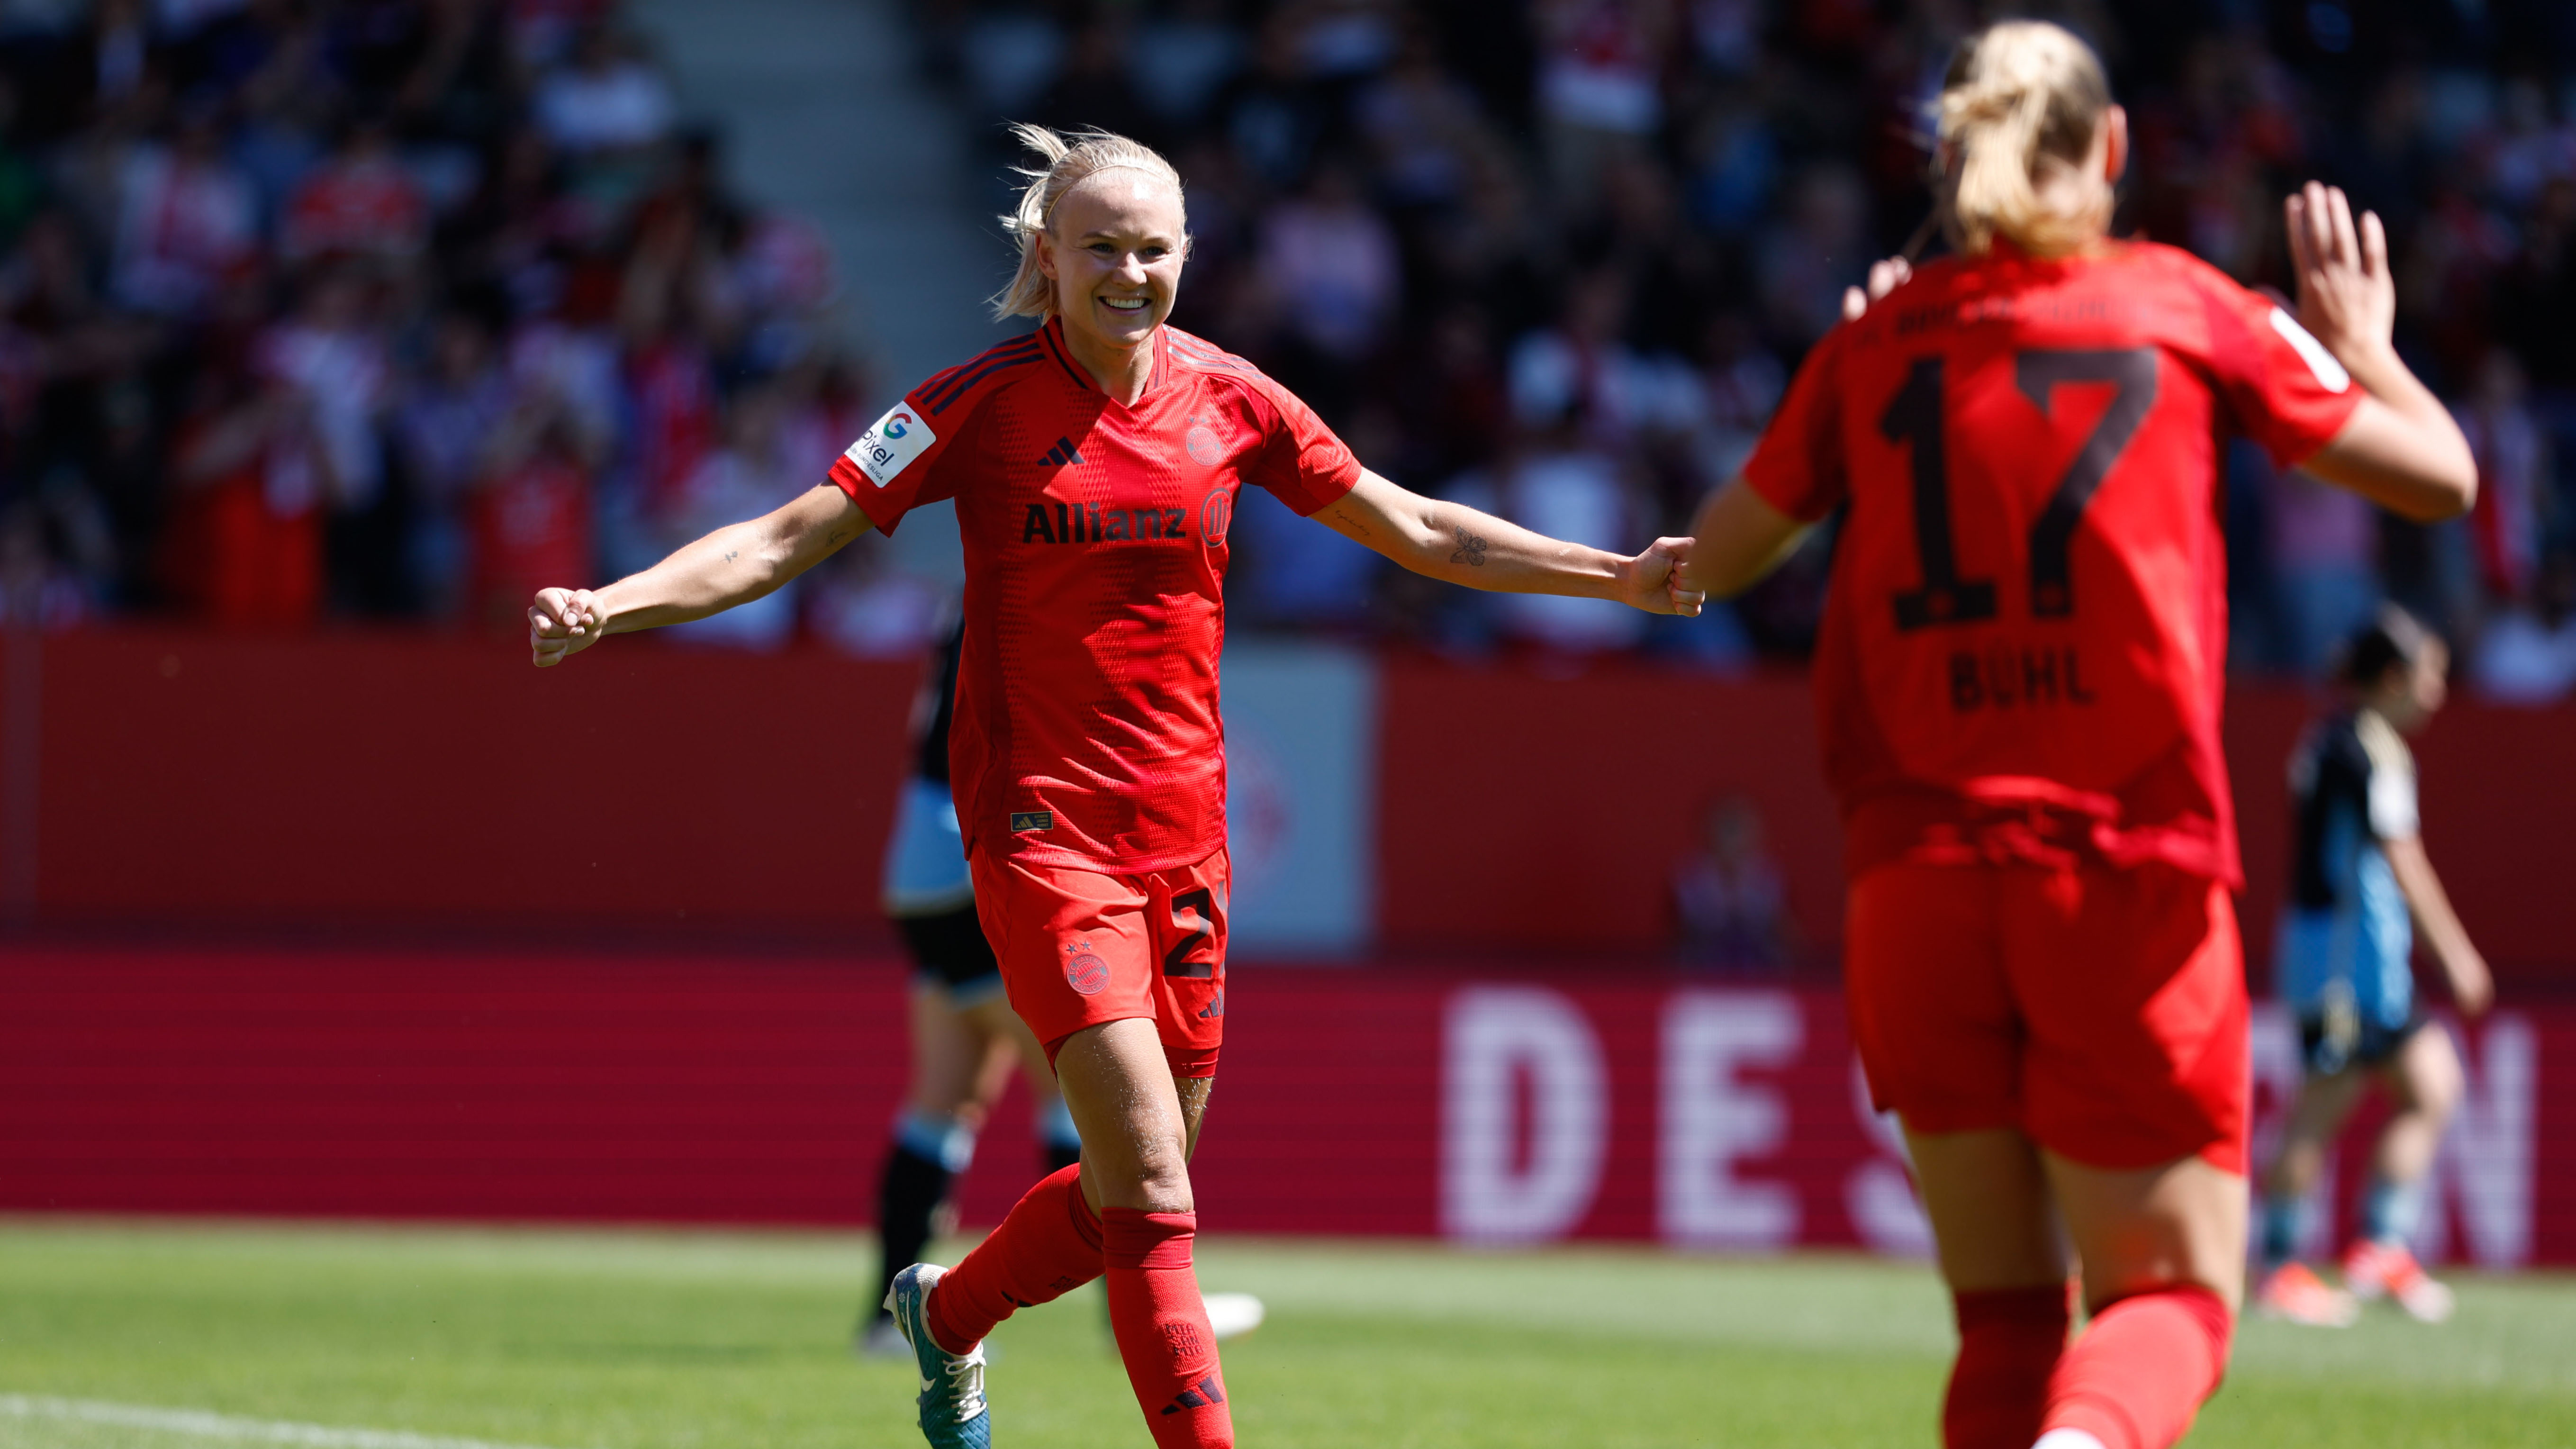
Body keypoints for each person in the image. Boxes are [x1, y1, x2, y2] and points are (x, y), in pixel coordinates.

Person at [528, 124, 1700, 1449]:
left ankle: (949, 1312)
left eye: (1153, 249)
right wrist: (618, 604)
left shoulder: (1233, 400)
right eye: (1101, 248)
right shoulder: (973, 402)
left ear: (1185, 259)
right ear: (1045, 256)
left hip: (1185, 846)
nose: (1129, 273)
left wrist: (1612, 576)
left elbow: (1419, 526)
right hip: (1041, 839)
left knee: (1128, 1184)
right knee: (1150, 1189)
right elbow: (793, 530)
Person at [1678, 22, 2475, 1449]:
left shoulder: (1873, 342)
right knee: (2170, 1305)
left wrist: (1861, 367)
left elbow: (1718, 558)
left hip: (1914, 884)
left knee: (2003, 1323)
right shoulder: (2178, 303)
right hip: (2120, 869)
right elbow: (2439, 481)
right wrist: (2363, 350)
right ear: (2109, 153)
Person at [2254, 606, 2492, 1327]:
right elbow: (2402, 858)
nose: (2435, 694)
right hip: (2339, 962)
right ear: (2392, 677)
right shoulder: (2368, 747)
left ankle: (2380, 1247)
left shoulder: (2335, 737)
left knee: (2432, 1083)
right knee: (2322, 1103)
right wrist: (2455, 953)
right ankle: (2277, 1266)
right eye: (2428, 678)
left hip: (2366, 961)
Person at [860, 609, 1085, 1359]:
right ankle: (1130, 1300)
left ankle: (883, 1319)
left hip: (919, 860)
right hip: (967, 845)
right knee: (1081, 1078)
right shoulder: (1029, 590)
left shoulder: (979, 598)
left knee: (942, 1099)